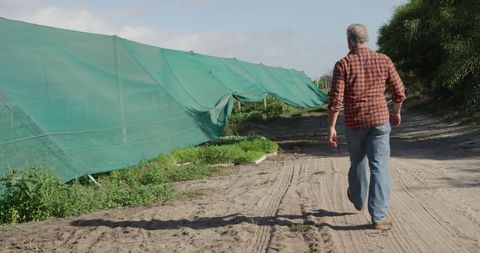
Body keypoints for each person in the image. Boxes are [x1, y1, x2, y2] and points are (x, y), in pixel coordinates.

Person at [327, 23, 406, 230]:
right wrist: (396, 112)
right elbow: (399, 92)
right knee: (379, 166)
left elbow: (336, 101)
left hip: (354, 123)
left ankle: (358, 198)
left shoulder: (342, 65)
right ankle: (379, 217)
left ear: (349, 41)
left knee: (358, 162)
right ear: (367, 40)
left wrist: (332, 127)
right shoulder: (384, 60)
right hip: (379, 120)